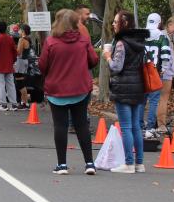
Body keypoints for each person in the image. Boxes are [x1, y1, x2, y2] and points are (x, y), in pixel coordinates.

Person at [39, 10, 99, 175]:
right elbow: (94, 60)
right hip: (80, 88)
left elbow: (42, 66)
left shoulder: (51, 42)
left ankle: (62, 164)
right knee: (82, 125)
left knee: (60, 125)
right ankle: (89, 163)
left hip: (57, 89)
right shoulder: (83, 40)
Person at [104, 11, 148, 174]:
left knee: (126, 127)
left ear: (125, 23)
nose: (113, 24)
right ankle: (139, 163)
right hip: (138, 85)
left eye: (116, 22)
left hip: (123, 87)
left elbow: (117, 67)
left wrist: (108, 56)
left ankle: (129, 163)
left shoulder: (121, 43)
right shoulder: (139, 41)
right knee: (136, 126)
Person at [141, 13, 173, 137]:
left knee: (142, 100)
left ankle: (140, 125)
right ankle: (150, 127)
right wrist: (163, 68)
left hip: (142, 71)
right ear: (159, 22)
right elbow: (165, 54)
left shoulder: (141, 35)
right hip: (155, 71)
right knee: (154, 101)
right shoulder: (162, 36)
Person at [0, 19, 18, 112]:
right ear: (5, 29)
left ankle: (3, 104)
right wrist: (13, 60)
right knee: (11, 85)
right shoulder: (10, 39)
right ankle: (14, 104)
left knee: (1, 85)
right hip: (9, 65)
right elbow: (14, 52)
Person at [14, 24, 33, 109]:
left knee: (20, 83)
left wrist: (13, 48)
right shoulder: (28, 39)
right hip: (25, 61)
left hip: (20, 61)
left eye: (20, 29)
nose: (19, 31)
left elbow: (18, 52)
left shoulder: (21, 39)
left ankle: (25, 103)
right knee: (21, 82)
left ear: (23, 31)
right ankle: (24, 102)